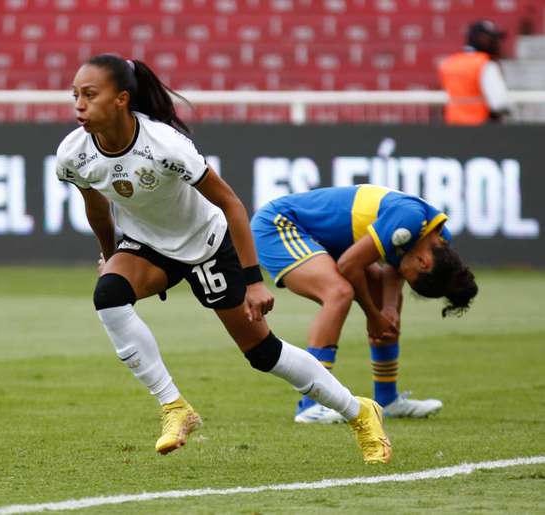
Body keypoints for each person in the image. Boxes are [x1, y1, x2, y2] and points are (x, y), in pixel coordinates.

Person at [55, 54, 391, 464]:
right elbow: (96, 208)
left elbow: (231, 204)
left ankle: (360, 412)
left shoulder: (165, 146)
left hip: (206, 243)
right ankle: (174, 408)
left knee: (263, 354)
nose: (79, 104)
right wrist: (109, 256)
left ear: (122, 99)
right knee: (108, 296)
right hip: (149, 247)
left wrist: (253, 281)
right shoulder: (73, 154)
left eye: (90, 94)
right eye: (75, 95)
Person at [251, 185, 478, 424]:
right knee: (339, 293)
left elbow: (394, 269)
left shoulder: (436, 239)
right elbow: (349, 265)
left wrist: (387, 311)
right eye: (411, 275)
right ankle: (311, 405)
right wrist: (373, 315)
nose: (404, 274)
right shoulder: (410, 220)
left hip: (330, 241)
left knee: (384, 302)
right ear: (423, 261)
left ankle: (387, 400)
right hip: (281, 225)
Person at [439, 19, 511, 125]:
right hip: (480, 129)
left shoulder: (449, 63)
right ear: (483, 39)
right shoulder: (486, 64)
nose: (497, 45)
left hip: (453, 129)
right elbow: (499, 103)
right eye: (493, 40)